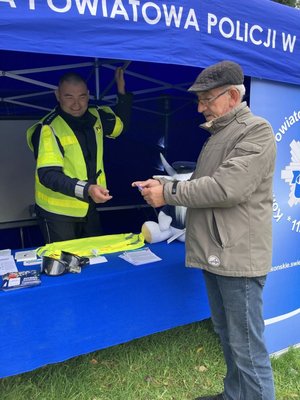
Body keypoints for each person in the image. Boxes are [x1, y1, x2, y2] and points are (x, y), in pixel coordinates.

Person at [132, 61, 276, 400]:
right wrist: (164, 183)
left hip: (237, 256)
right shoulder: (220, 134)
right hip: (218, 252)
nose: (200, 107)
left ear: (231, 96)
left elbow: (227, 189)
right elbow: (201, 183)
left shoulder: (256, 130)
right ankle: (234, 395)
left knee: (247, 347)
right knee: (227, 335)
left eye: (206, 99)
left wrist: (167, 193)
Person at [27, 67, 132, 243]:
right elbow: (48, 175)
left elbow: (120, 126)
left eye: (82, 96)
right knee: (65, 265)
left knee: (95, 260)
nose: (76, 104)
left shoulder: (95, 116)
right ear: (57, 95)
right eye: (69, 97)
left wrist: (122, 92)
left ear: (88, 94)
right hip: (57, 213)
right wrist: (87, 189)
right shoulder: (48, 128)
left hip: (88, 208)